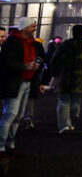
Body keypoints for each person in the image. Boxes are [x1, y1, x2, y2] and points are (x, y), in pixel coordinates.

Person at [0, 18, 41, 155]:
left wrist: (33, 67)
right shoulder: (12, 43)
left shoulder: (29, 43)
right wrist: (25, 66)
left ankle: (9, 143)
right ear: (25, 28)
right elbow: (6, 63)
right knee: (11, 114)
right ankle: (2, 145)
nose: (35, 28)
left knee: (17, 115)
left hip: (25, 81)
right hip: (15, 82)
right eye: (33, 26)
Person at [49, 24, 82, 136]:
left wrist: (55, 74)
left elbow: (54, 60)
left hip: (64, 78)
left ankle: (64, 125)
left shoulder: (65, 45)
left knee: (63, 102)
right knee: (76, 101)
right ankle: (71, 119)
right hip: (80, 79)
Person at [21, 36, 48, 131]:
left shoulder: (16, 45)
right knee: (30, 99)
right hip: (32, 77)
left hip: (18, 78)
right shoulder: (37, 45)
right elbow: (41, 60)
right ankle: (29, 117)